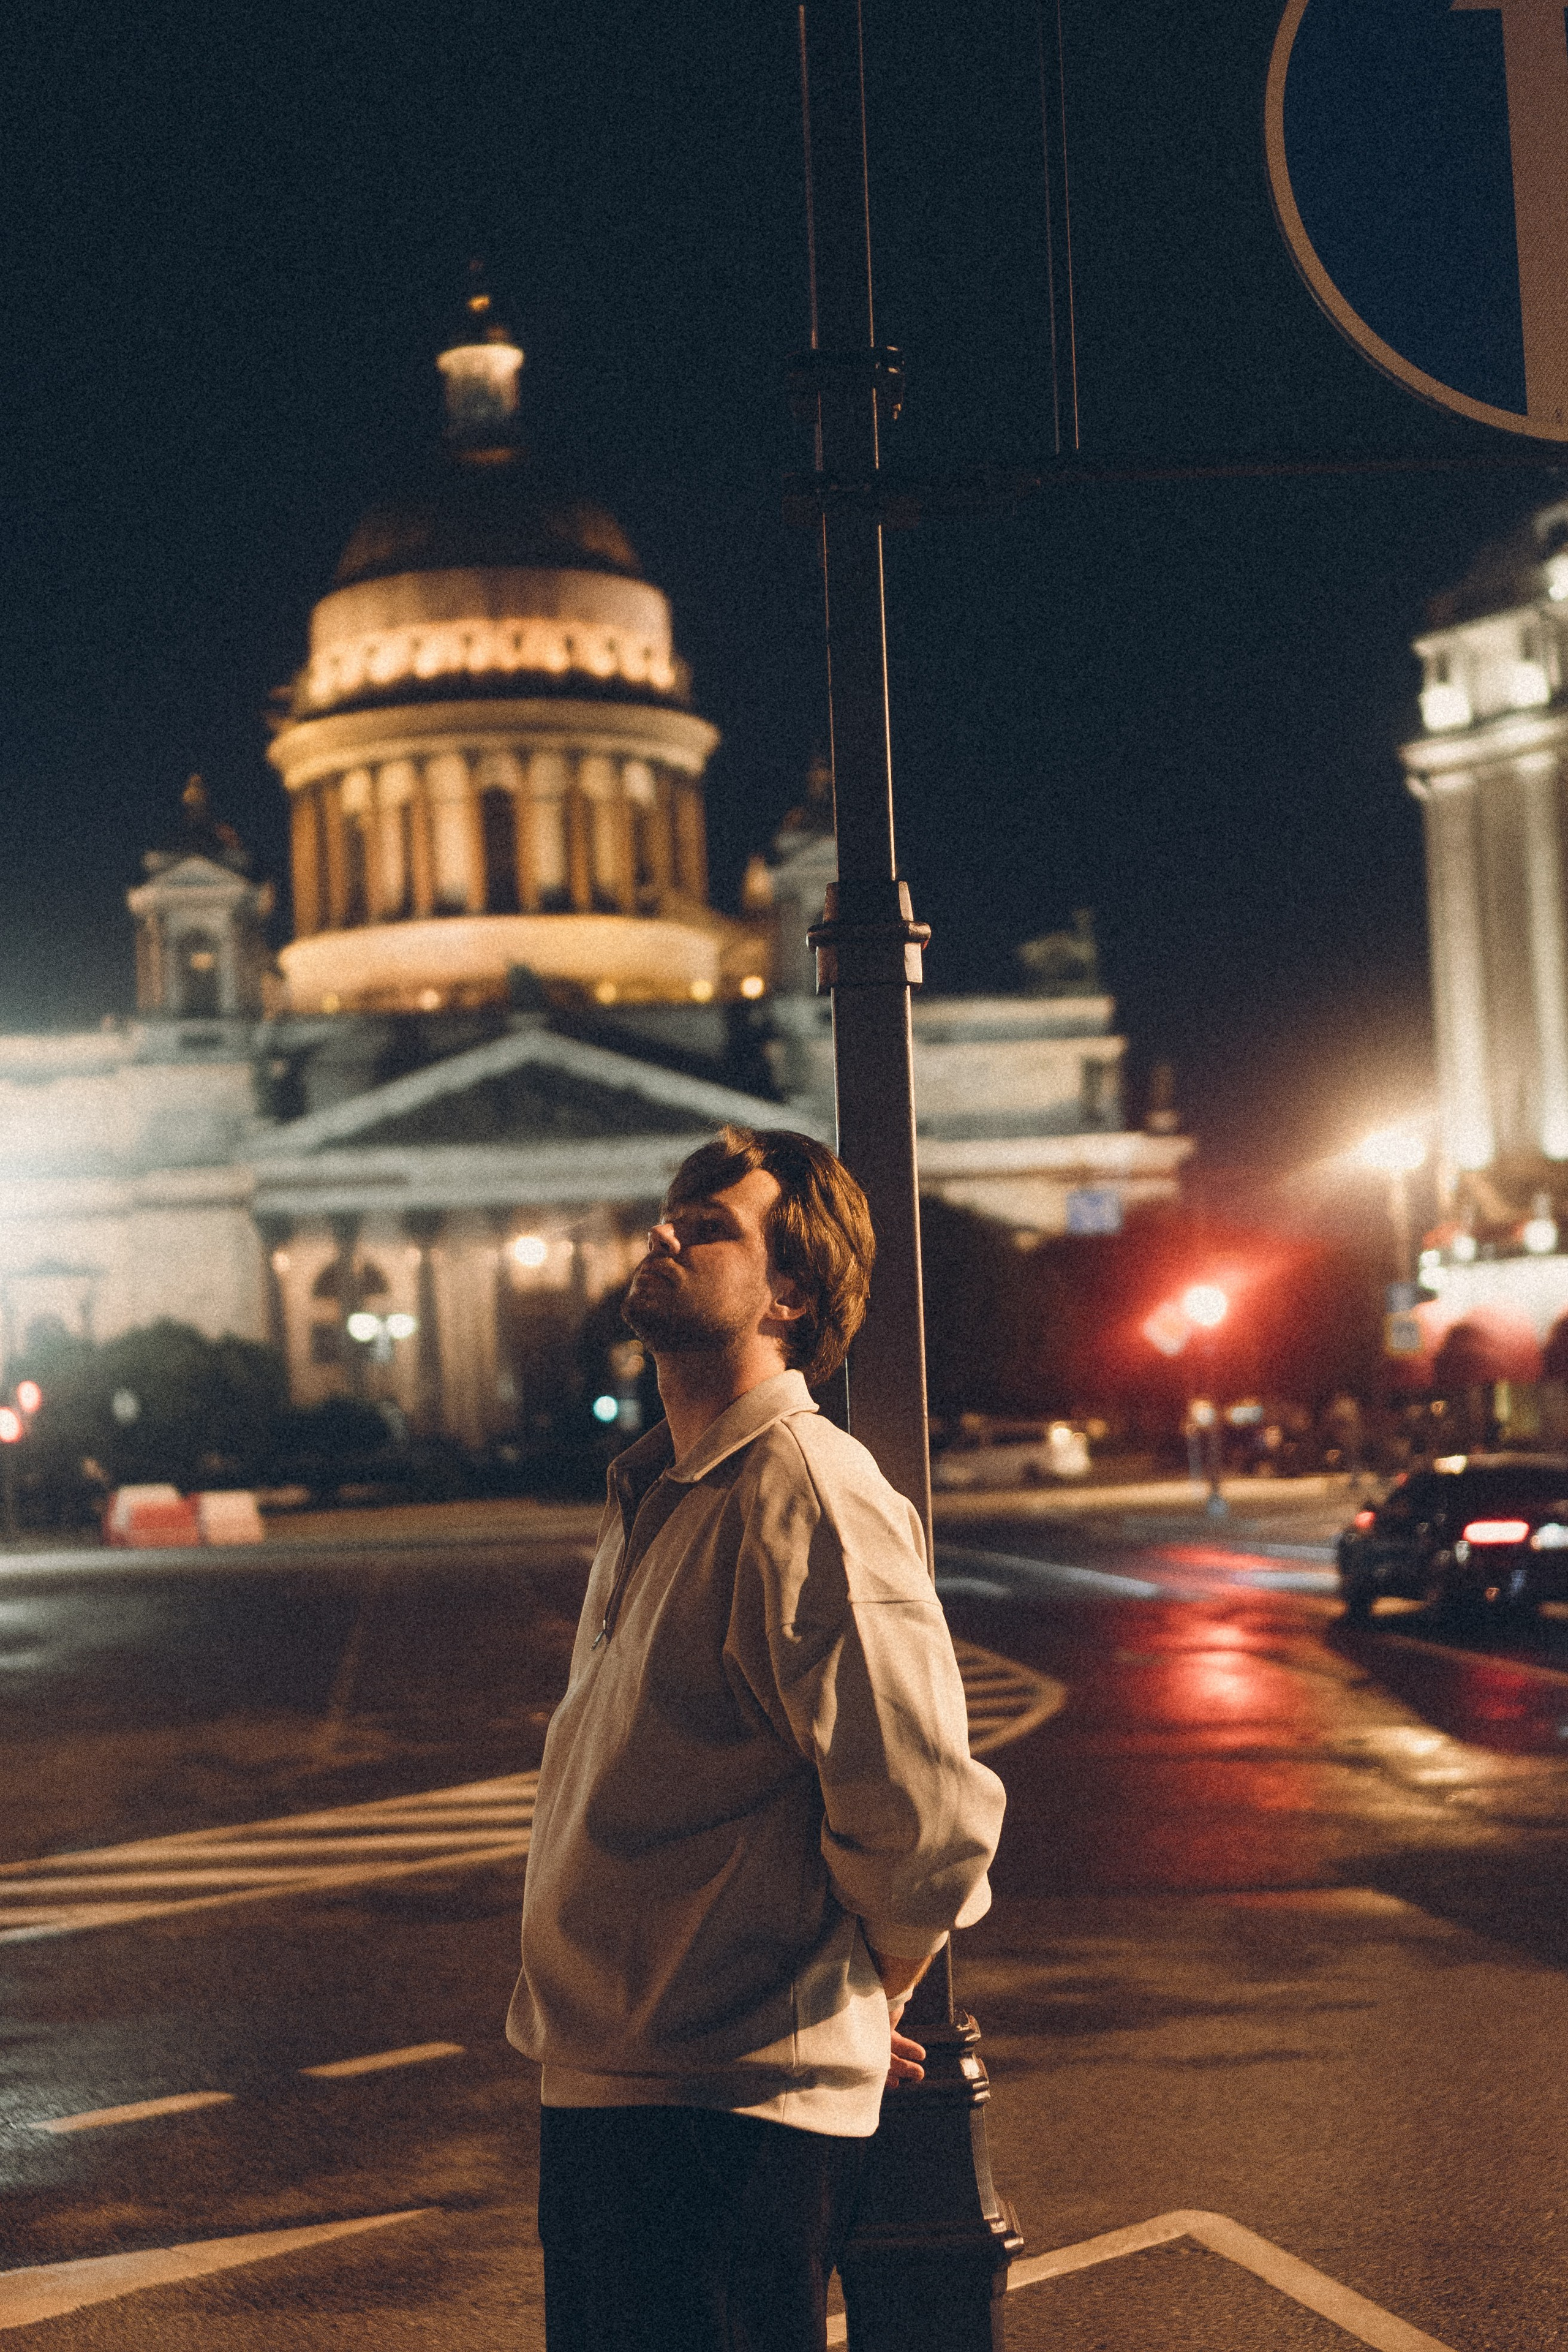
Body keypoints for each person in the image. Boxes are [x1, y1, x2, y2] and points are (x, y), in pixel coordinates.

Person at [507, 1123, 1006, 2352]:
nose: (665, 1231)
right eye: (670, 1210)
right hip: (616, 2089)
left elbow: (925, 1816)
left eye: (711, 1223)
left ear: (790, 1290)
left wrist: (850, 1993)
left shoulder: (808, 1492)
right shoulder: (664, 1491)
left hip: (723, 2116)